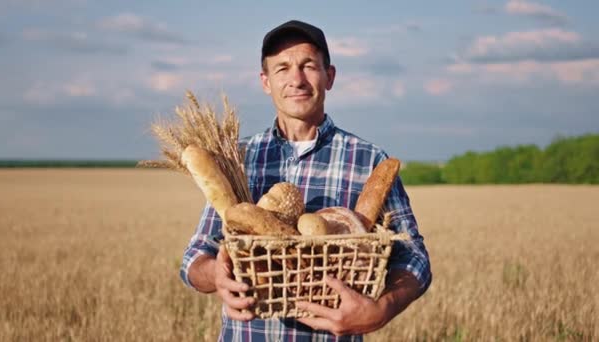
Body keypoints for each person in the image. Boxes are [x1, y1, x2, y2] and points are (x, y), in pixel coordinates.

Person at [180, 20, 432, 341]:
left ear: (330, 76)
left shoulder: (369, 160)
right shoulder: (237, 159)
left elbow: (414, 257)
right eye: (282, 68)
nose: (296, 79)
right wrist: (216, 275)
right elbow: (195, 256)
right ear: (265, 82)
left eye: (308, 66)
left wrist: (381, 310)